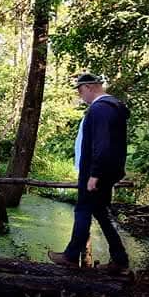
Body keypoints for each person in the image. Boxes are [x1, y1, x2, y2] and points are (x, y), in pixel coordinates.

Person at [48, 74, 132, 276]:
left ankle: (70, 256)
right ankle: (120, 259)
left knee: (83, 209)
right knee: (101, 212)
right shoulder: (113, 107)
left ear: (88, 87)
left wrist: (94, 174)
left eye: (79, 90)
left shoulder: (100, 109)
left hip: (97, 172)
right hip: (107, 170)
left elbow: (102, 145)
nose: (79, 95)